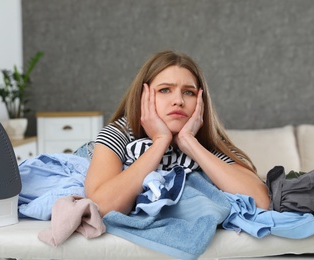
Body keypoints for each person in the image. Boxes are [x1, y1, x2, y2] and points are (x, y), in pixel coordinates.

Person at [85, 50, 270, 217]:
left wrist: (189, 143)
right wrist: (160, 141)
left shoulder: (210, 143)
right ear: (144, 96)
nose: (178, 101)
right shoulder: (119, 133)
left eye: (188, 92)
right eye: (165, 90)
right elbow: (101, 207)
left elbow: (261, 202)